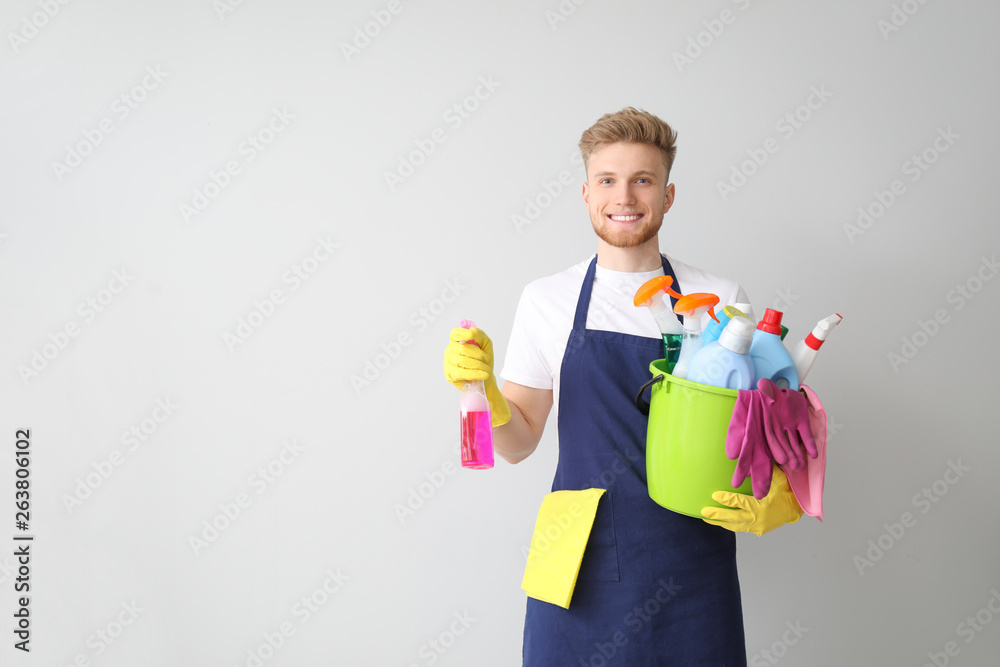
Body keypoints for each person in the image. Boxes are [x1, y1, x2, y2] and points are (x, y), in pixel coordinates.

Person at [443, 107, 804, 665]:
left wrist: (780, 492)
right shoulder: (547, 299)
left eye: (643, 179)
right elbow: (517, 446)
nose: (625, 196)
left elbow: (755, 431)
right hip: (576, 562)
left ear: (668, 194)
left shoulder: (720, 300)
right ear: (586, 193)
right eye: (608, 180)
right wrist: (488, 391)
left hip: (689, 559)